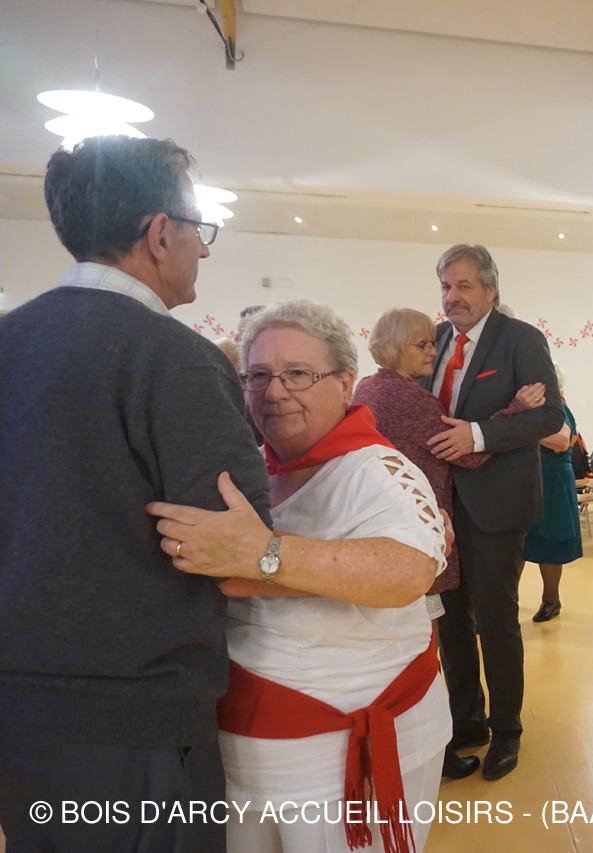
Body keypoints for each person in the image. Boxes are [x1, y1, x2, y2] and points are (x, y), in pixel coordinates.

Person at [0, 135, 269, 853]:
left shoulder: (8, 340)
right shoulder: (177, 359)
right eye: (197, 229)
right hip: (137, 722)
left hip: (18, 712)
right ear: (158, 234)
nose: (203, 249)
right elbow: (239, 553)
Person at [147, 300, 451, 853]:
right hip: (246, 742)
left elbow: (408, 570)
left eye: (298, 374)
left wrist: (263, 558)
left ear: (345, 383)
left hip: (341, 745)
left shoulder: (377, 470)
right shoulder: (252, 468)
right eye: (258, 375)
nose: (275, 391)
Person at [352, 306, 544, 780]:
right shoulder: (406, 398)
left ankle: (474, 724)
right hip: (428, 525)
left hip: (421, 522)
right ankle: (468, 728)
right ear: (396, 348)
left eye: (431, 343)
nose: (432, 351)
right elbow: (465, 452)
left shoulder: (369, 388)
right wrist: (515, 410)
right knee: (448, 633)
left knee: (462, 628)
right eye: (422, 345)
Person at [425, 244, 564, 781]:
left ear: (490, 289)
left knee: (496, 621)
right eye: (445, 286)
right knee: (450, 621)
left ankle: (507, 729)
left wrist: (478, 435)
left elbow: (549, 417)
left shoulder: (521, 339)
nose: (452, 297)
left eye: (463, 286)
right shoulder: (435, 340)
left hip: (497, 504)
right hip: (441, 507)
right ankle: (467, 721)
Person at [525, 363, 584, 623]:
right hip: (528, 479)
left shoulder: (556, 405)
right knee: (518, 543)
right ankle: (507, 602)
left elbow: (561, 441)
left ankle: (551, 600)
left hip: (552, 481)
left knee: (550, 541)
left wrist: (516, 430)